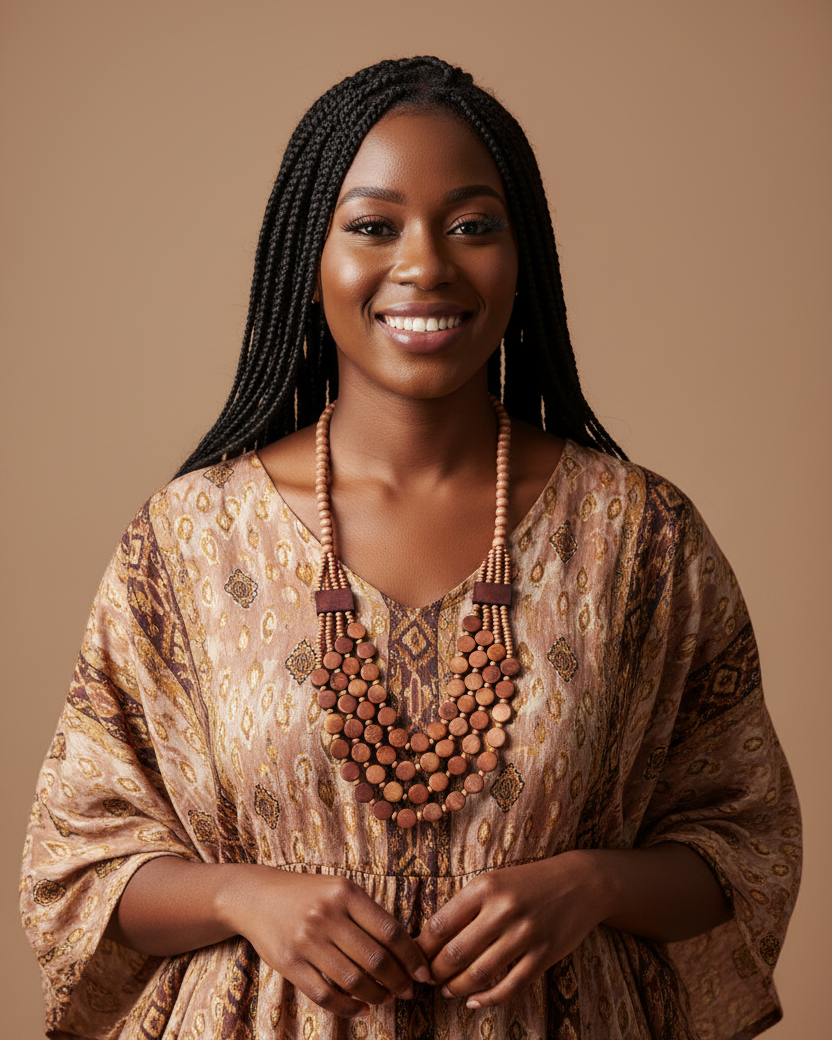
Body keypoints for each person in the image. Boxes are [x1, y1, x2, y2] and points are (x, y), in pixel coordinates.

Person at [20, 56, 800, 1040]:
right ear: (309, 255)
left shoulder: (639, 539)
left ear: (525, 257)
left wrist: (592, 883)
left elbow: (745, 843)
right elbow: (74, 861)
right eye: (373, 225)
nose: (425, 264)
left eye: (472, 225)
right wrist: (243, 897)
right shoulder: (184, 541)